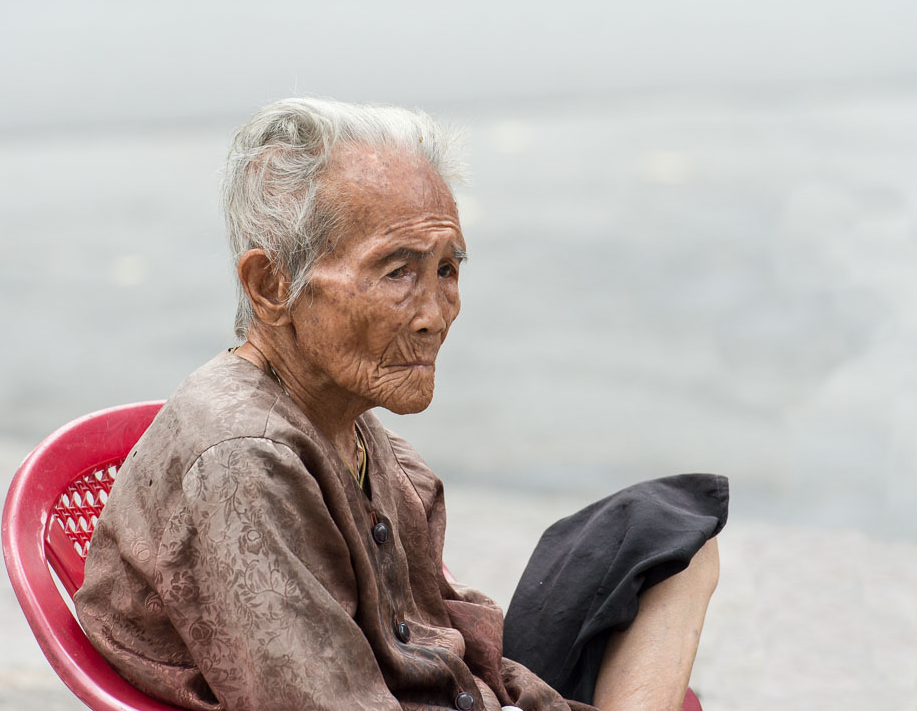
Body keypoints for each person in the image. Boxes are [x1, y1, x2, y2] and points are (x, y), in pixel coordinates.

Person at [74, 98, 727, 711]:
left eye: (447, 269)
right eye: (397, 271)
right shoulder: (243, 465)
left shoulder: (346, 423)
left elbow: (431, 628)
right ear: (271, 285)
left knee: (664, 533)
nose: (434, 316)